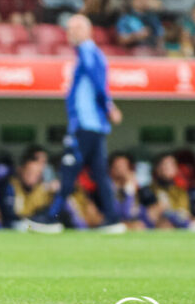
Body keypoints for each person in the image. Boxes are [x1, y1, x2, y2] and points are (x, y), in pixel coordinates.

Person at [25, 15, 124, 234]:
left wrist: (109, 107)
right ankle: (112, 219)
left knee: (68, 171)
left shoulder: (88, 52)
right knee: (100, 174)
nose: (68, 33)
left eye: (73, 29)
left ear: (84, 30)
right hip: (93, 126)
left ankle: (53, 218)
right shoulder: (89, 53)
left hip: (85, 125)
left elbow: (98, 83)